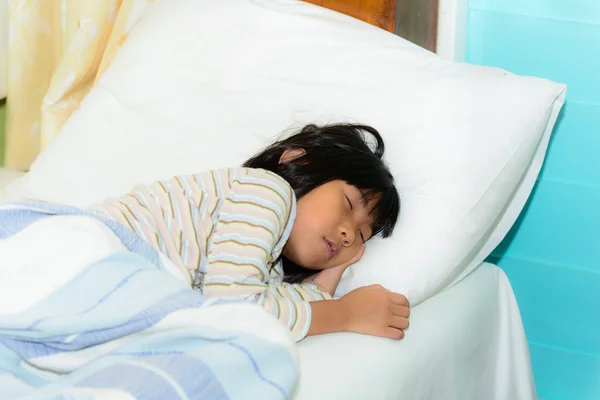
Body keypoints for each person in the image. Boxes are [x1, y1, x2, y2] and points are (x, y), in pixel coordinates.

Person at [90, 123, 410, 341]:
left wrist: (330, 276)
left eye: (361, 234)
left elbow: (267, 303)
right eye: (348, 202)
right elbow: (234, 310)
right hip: (92, 250)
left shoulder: (263, 263)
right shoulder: (268, 191)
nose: (348, 235)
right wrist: (344, 313)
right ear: (296, 161)